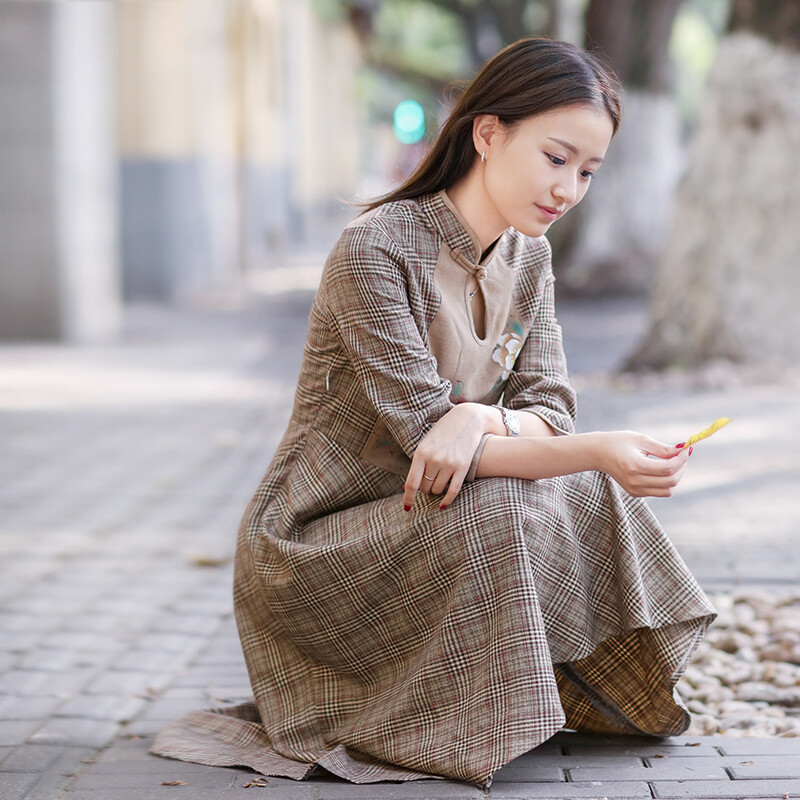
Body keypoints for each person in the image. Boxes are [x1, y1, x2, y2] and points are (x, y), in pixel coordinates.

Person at [151, 37, 715, 788]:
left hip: (430, 511)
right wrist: (592, 447)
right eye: (555, 158)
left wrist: (481, 419)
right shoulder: (375, 249)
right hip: (321, 541)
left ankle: (548, 698)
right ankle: (454, 715)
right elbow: (433, 440)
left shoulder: (530, 258)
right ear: (488, 133)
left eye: (588, 170)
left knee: (580, 486)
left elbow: (551, 407)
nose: (569, 188)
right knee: (515, 503)